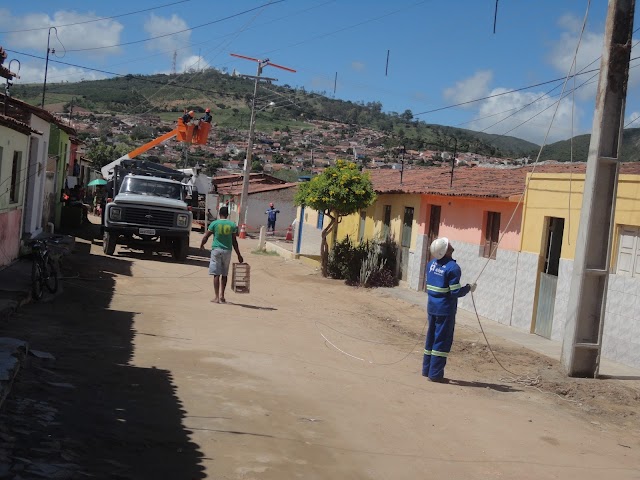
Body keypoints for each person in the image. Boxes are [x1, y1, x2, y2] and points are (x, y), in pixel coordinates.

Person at [422, 237, 475, 382]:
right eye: (448, 245)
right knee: (442, 340)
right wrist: (468, 288)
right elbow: (455, 292)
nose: (450, 245)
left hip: (432, 307)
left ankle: (427, 370)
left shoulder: (431, 264)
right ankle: (435, 374)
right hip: (445, 310)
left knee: (431, 338)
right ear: (445, 251)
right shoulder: (453, 268)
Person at [200, 206, 244, 303]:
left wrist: (202, 245)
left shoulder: (214, 223)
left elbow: (206, 236)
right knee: (224, 274)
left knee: (216, 274)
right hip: (227, 251)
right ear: (227, 215)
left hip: (216, 250)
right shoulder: (232, 225)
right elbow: (234, 241)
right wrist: (239, 255)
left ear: (219, 214)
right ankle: (222, 296)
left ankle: (216, 297)